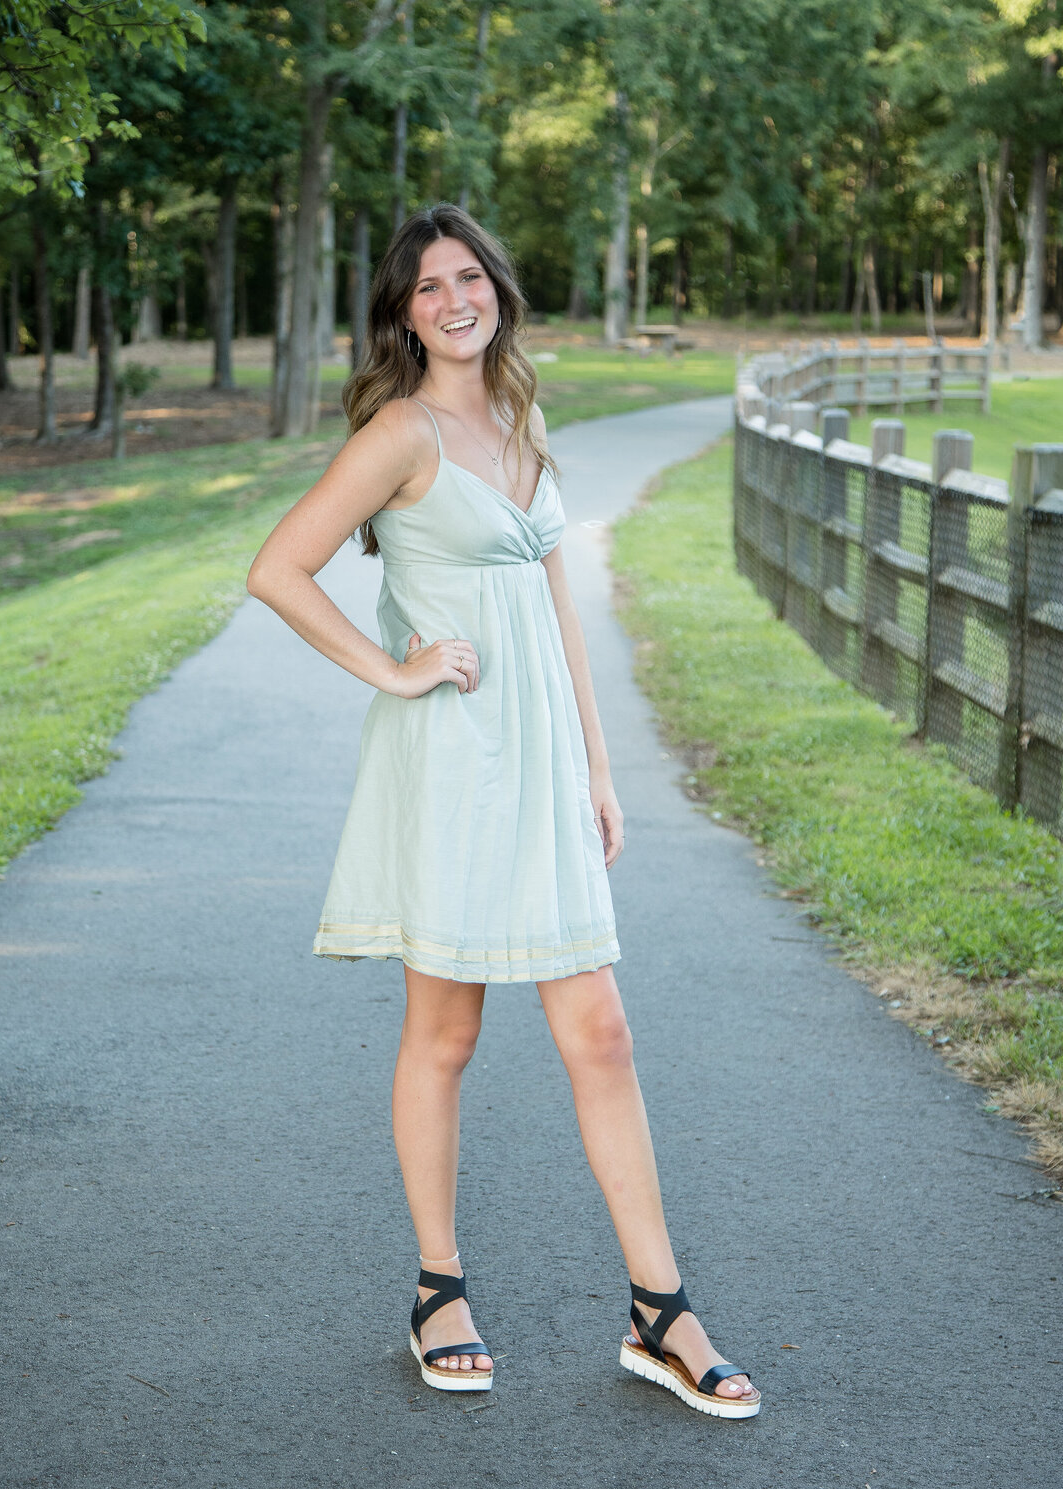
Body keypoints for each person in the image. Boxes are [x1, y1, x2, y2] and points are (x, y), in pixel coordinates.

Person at [246, 203, 760, 1419]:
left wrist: (597, 762)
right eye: (426, 286)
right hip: (456, 768)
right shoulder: (400, 430)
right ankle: (438, 1290)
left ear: (498, 291)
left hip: (542, 770)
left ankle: (659, 1310)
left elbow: (554, 598)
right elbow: (277, 567)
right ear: (403, 312)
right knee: (447, 1035)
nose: (452, 299)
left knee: (602, 1032)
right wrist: (395, 669)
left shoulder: (522, 416)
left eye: (467, 276)